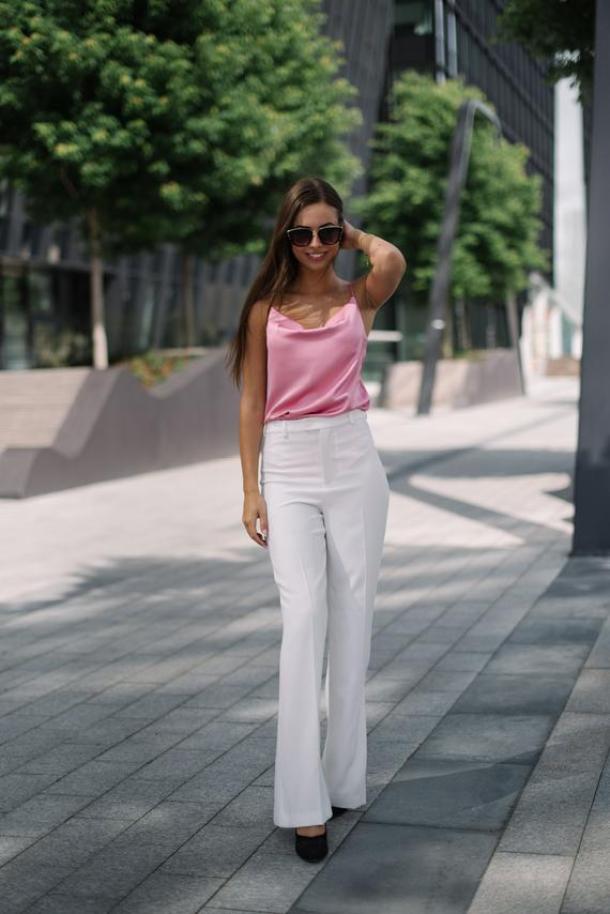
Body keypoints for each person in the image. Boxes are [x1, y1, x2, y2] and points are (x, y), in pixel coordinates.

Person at [225, 176, 406, 862]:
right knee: (304, 621)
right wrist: (251, 488)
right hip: (293, 466)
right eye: (301, 234)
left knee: (353, 620)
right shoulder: (264, 309)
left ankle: (343, 779)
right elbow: (250, 405)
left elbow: (392, 261)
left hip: (355, 459)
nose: (315, 245)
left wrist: (354, 235)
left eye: (327, 232)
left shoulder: (358, 295)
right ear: (284, 238)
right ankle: (304, 805)